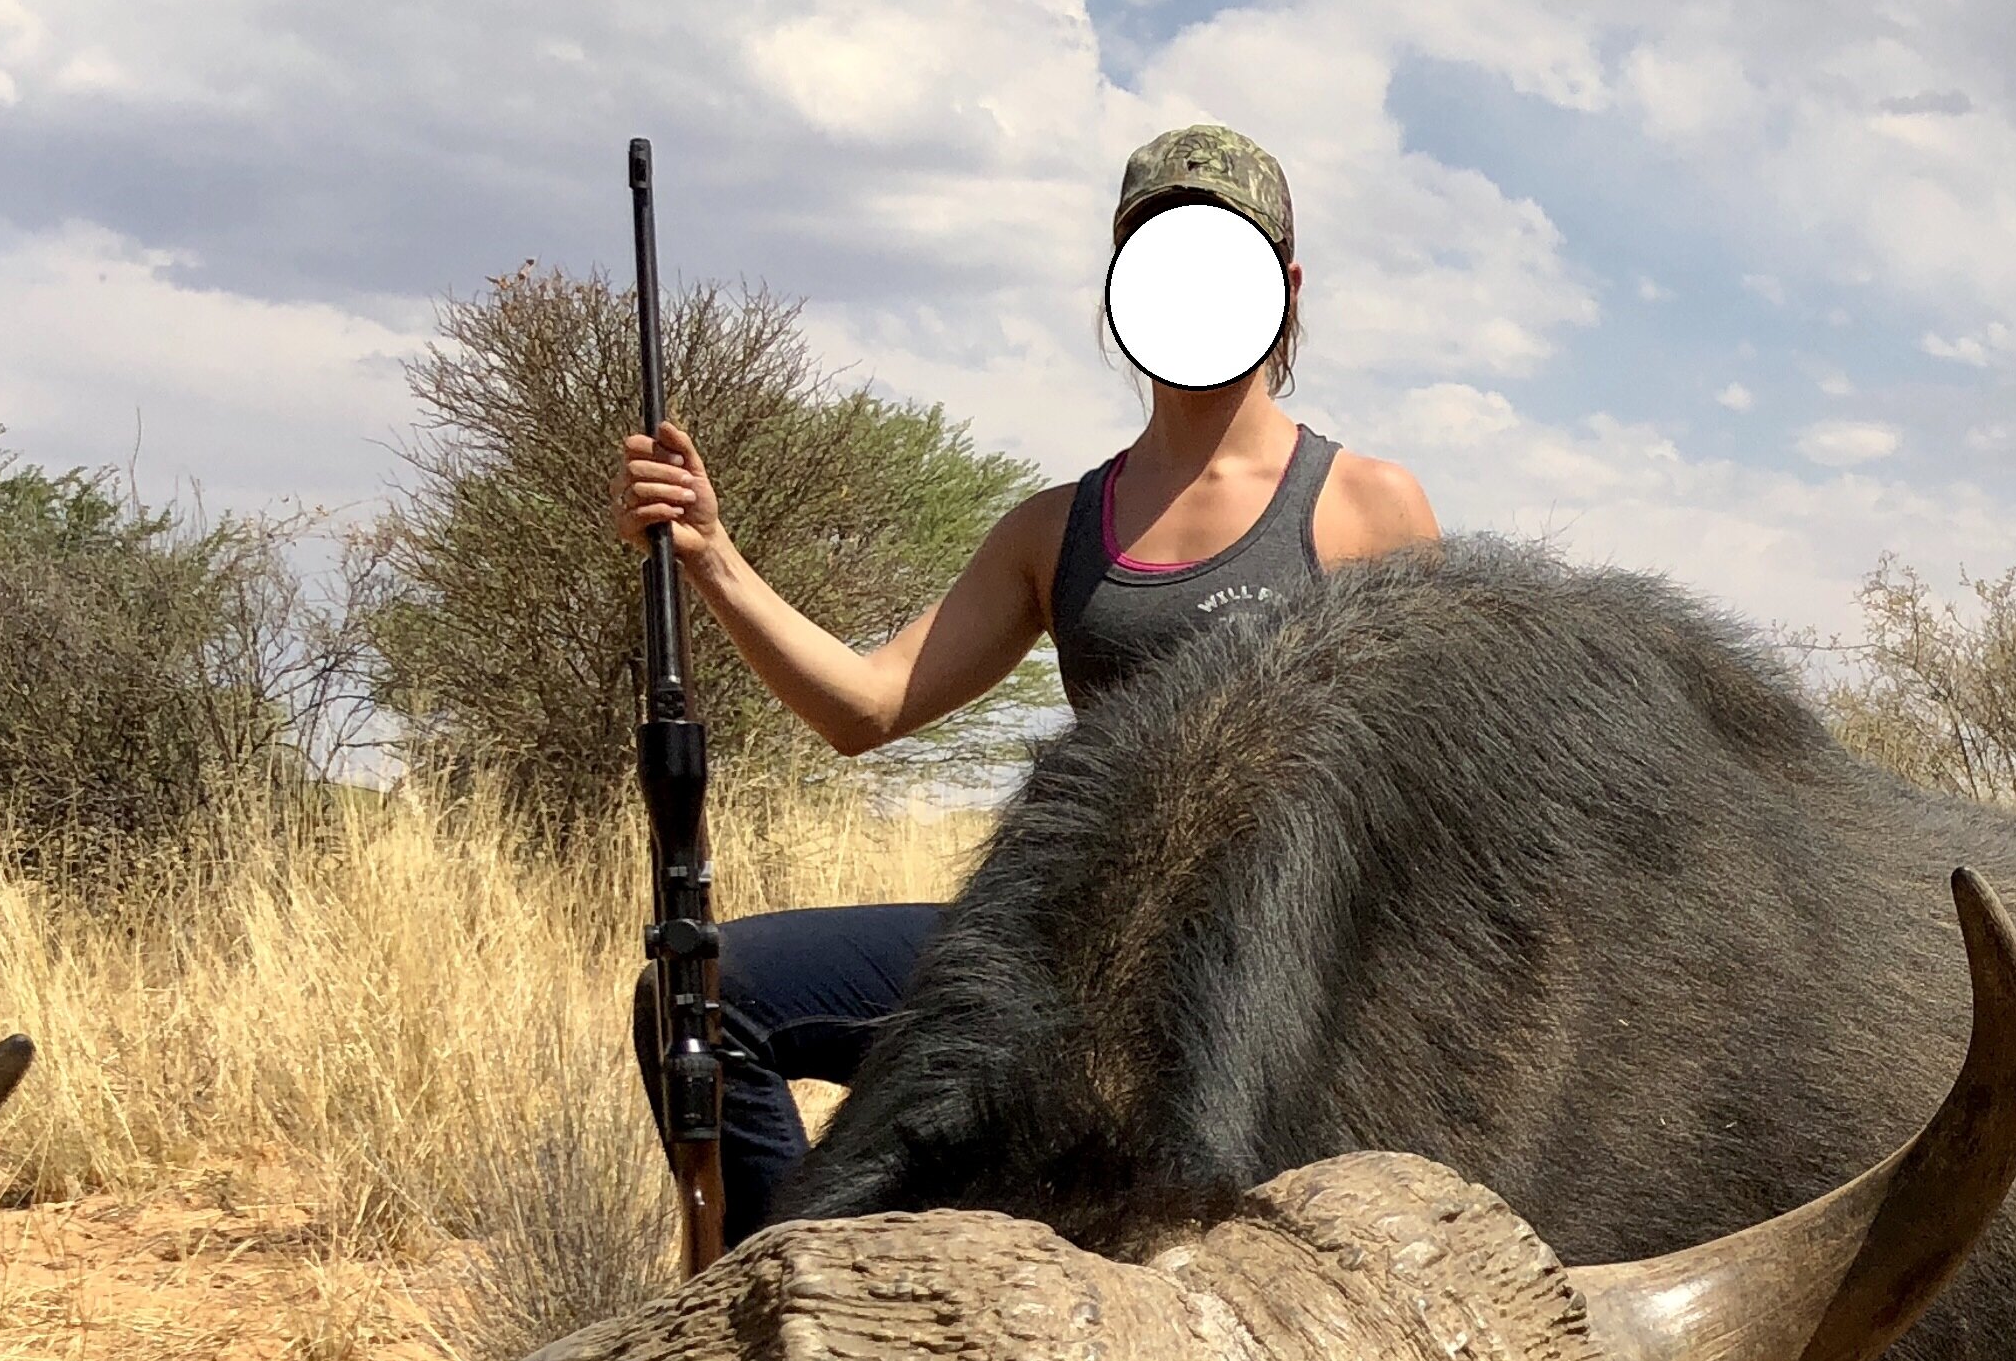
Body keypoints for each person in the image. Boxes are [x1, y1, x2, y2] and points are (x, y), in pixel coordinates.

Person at [612, 123, 1442, 1237]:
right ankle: (792, 1307)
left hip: (1266, 971)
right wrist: (712, 555)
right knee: (705, 994)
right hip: (1059, 950)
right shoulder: (1053, 530)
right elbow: (865, 706)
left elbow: (1434, 813)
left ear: (1285, 287)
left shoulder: (1367, 507)